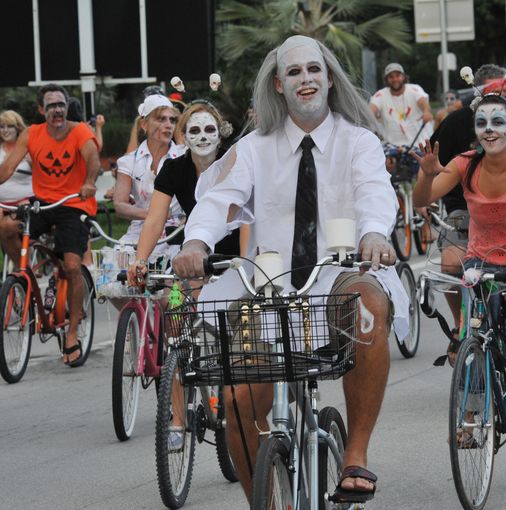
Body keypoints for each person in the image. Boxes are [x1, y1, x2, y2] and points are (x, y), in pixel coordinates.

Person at [171, 35, 409, 505]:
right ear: (279, 84)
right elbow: (218, 198)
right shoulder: (255, 147)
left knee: (367, 303)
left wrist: (375, 233)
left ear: (329, 77)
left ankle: (355, 453)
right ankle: (264, 498)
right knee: (239, 403)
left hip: (337, 273)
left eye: (314, 69)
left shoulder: (357, 140)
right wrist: (195, 242)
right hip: (269, 286)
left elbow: (374, 192)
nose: (306, 79)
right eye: (295, 72)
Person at [412, 93, 506, 433]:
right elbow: (423, 198)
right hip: (481, 262)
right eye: (481, 124)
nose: (489, 130)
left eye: (498, 123)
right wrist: (424, 174)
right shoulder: (466, 162)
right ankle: (473, 413)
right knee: (472, 332)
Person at [427, 64, 506, 360]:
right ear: (479, 94)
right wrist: (423, 190)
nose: (503, 98)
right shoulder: (455, 123)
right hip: (462, 209)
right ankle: (461, 325)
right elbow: (429, 168)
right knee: (450, 263)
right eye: (497, 92)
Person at [0, 84, 99, 365]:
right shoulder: (32, 133)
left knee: (71, 266)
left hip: (73, 205)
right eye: (51, 105)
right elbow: (7, 169)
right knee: (6, 228)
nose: (57, 109)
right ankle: (24, 279)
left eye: (61, 104)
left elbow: (92, 157)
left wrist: (89, 182)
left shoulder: (79, 131)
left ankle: (73, 330)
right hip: (41, 205)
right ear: (42, 110)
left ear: (66, 108)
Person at [127, 100, 247, 284]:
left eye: (209, 129)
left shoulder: (235, 164)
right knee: (185, 301)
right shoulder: (174, 169)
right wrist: (140, 261)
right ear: (182, 136)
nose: (203, 137)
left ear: (219, 135)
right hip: (196, 251)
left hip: (238, 252)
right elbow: (154, 220)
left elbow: (247, 220)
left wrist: (245, 264)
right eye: (195, 131)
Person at [113, 94, 185, 260]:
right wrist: (152, 215)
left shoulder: (185, 157)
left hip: (177, 230)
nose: (168, 125)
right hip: (140, 229)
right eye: (161, 119)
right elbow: (120, 205)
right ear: (144, 124)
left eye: (172, 120)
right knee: (117, 263)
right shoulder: (129, 161)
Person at [369, 62, 433, 148]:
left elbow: (422, 102)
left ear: (403, 77)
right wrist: (367, 116)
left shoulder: (414, 89)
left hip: (419, 144)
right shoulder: (381, 94)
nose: (395, 79)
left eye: (397, 75)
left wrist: (426, 112)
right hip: (393, 146)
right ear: (386, 80)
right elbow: (371, 109)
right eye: (391, 77)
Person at [0, 110, 33, 267]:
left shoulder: (27, 149)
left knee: (8, 227)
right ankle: (22, 269)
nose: (5, 130)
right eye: (1, 126)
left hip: (25, 202)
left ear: (18, 128)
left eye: (9, 126)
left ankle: (25, 269)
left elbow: (43, 175)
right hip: (2, 204)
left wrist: (32, 162)